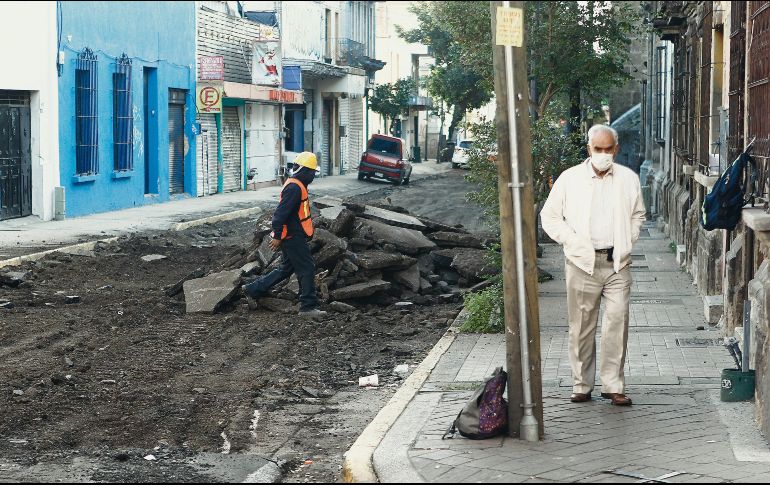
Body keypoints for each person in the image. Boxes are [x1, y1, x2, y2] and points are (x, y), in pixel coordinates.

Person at [541, 124, 646, 406]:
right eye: (597, 149)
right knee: (581, 327)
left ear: (616, 149)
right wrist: (572, 242)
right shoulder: (570, 179)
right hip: (581, 263)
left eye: (608, 149)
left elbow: (638, 214)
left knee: (617, 322)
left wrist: (628, 239)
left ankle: (613, 385)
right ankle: (581, 384)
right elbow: (550, 217)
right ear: (589, 148)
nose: (603, 154)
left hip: (617, 263)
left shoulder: (628, 179)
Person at [242, 152, 327, 319]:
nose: (313, 176)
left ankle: (252, 289)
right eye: (312, 172)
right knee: (307, 268)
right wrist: (278, 236)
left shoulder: (297, 185)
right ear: (305, 171)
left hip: (293, 235)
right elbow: (279, 216)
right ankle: (307, 306)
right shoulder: (294, 188)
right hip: (292, 237)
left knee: (286, 268)